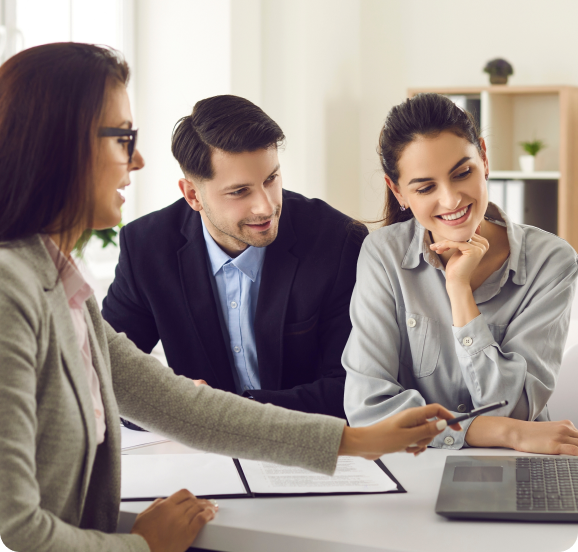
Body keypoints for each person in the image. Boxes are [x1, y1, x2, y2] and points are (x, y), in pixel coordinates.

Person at [0, 44, 458, 552]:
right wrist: (143, 545)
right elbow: (15, 532)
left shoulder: (62, 283)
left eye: (271, 180)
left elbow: (173, 403)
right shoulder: (11, 291)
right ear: (59, 149)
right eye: (122, 137)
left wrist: (357, 440)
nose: (137, 158)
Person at [101, 94, 366, 418]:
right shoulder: (146, 248)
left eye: (271, 179)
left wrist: (223, 413)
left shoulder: (336, 240)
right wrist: (173, 404)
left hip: (311, 449)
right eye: (240, 191)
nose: (266, 206)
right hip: (199, 455)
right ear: (193, 195)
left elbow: (352, 388)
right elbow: (104, 376)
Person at [342, 92, 578, 455]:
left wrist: (459, 291)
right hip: (418, 467)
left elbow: (515, 408)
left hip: (520, 463)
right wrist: (504, 432)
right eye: (425, 187)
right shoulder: (383, 254)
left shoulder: (552, 260)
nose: (451, 200)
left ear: (483, 157)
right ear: (398, 191)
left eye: (462, 173)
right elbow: (369, 411)